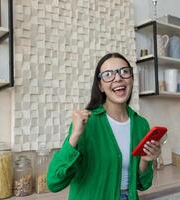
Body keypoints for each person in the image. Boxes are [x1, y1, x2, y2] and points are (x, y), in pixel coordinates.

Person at [47, 52, 161, 200]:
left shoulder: (141, 124)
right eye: (108, 74)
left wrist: (146, 160)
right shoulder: (87, 122)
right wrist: (74, 136)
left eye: (124, 72)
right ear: (100, 85)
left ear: (132, 79)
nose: (118, 78)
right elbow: (54, 182)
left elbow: (143, 184)